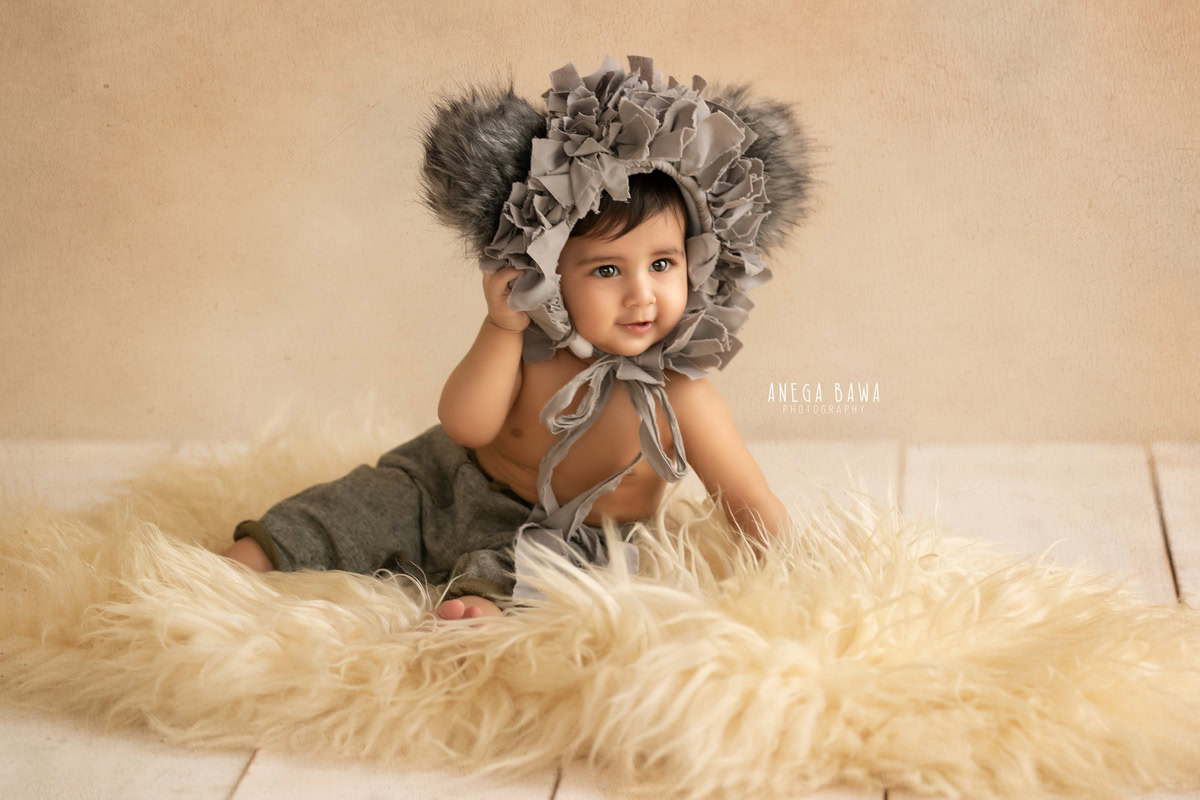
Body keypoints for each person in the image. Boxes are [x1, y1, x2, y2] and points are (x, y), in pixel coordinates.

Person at [222, 55, 811, 622]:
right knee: (353, 507)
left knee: (533, 575)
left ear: (697, 263)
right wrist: (500, 328)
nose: (641, 295)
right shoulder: (534, 342)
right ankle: (246, 562)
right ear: (552, 273)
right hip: (445, 482)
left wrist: (790, 574)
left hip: (568, 531)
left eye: (662, 264)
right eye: (607, 270)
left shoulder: (679, 395)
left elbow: (746, 500)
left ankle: (475, 608)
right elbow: (466, 427)